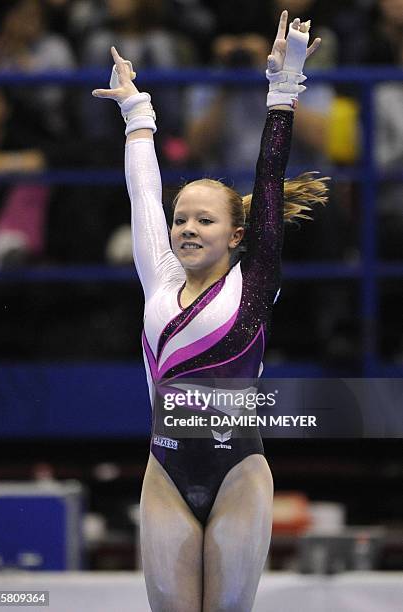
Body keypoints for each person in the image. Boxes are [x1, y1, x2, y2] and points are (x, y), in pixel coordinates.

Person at [92, 10, 326, 611]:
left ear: (237, 234)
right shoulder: (159, 281)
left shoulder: (254, 285)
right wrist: (136, 113)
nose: (187, 229)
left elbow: (269, 178)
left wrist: (283, 88)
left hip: (239, 475)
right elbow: (144, 192)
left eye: (204, 220)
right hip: (165, 473)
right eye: (181, 220)